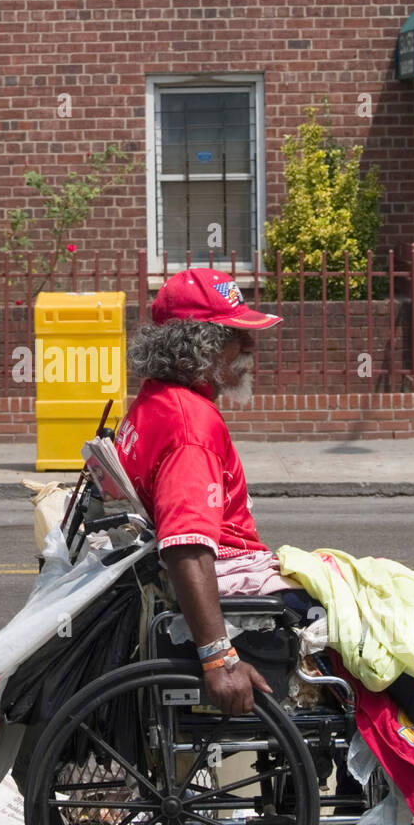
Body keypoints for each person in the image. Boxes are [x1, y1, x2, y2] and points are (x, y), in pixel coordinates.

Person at [114, 269, 291, 716]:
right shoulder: (190, 426)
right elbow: (186, 546)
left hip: (224, 569)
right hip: (231, 583)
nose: (250, 347)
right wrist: (219, 657)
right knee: (381, 621)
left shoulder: (154, 398)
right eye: (236, 336)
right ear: (201, 345)